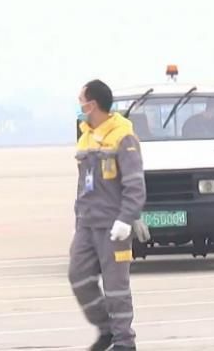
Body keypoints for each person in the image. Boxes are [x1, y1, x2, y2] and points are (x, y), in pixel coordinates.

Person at [69, 80, 146, 351]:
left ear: (93, 104)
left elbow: (135, 183)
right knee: (78, 277)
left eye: (81, 99)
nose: (79, 104)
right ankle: (107, 331)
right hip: (87, 224)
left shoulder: (123, 137)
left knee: (116, 288)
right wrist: (78, 220)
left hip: (114, 226)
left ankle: (125, 341)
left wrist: (127, 218)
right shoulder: (86, 135)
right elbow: (83, 185)